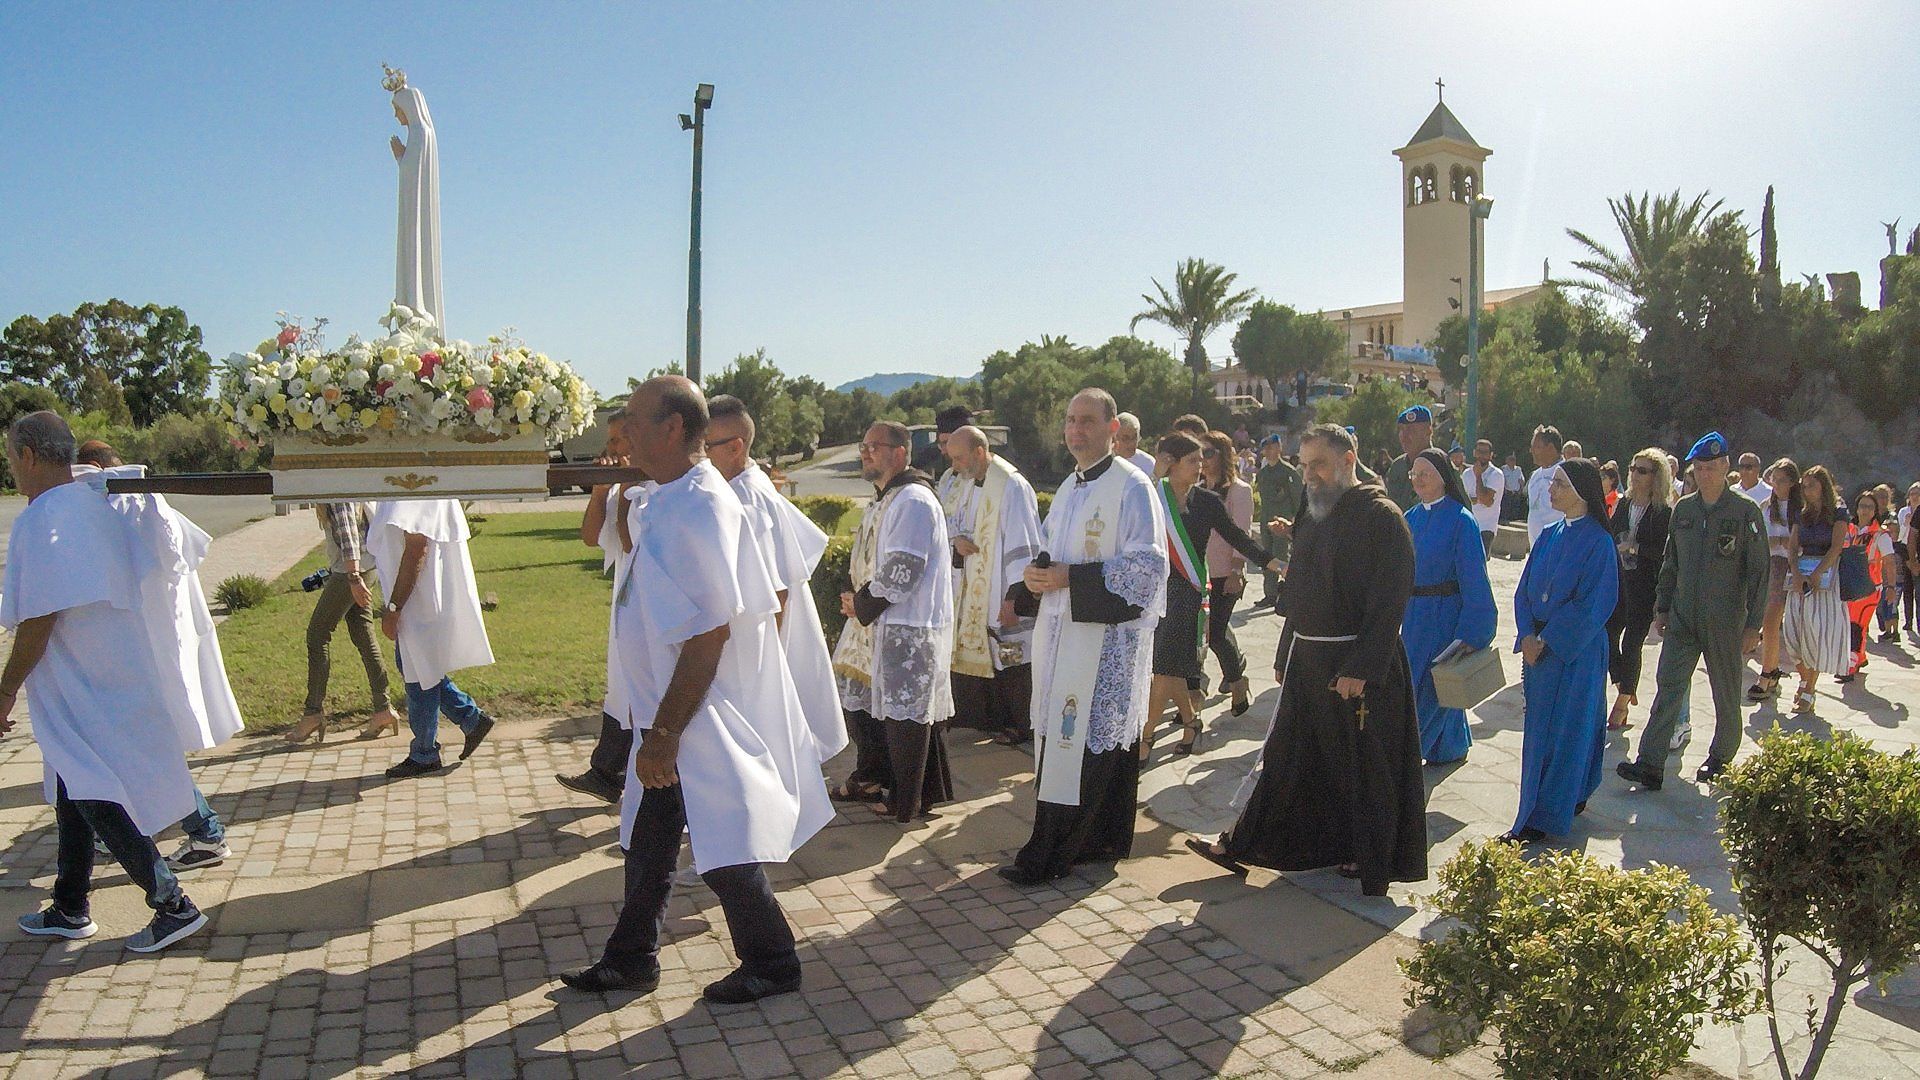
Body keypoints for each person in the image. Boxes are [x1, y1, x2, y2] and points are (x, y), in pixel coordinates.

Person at [562, 377, 830, 1003]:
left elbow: (710, 633)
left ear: (674, 428)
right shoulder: (665, 494)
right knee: (651, 840)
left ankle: (774, 960)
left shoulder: (704, 506)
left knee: (723, 837)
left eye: (633, 418)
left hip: (695, 708)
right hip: (666, 705)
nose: (622, 430)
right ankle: (631, 957)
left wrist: (664, 732)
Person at [1, 412, 208, 952]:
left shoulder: (47, 516)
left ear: (27, 456)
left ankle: (171, 904)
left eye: (9, 457)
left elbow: (38, 618)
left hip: (81, 681)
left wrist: (4, 690)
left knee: (92, 789)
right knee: (74, 783)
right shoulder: (93, 502)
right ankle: (71, 905)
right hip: (111, 667)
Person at [1194, 424, 1424, 897]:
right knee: (1287, 757)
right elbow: (1300, 587)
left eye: (1318, 464)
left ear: (1348, 458)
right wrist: (1286, 649)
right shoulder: (1315, 510)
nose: (1309, 474)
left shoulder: (1383, 517)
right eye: (1304, 465)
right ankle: (1237, 845)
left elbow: (1390, 602)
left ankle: (1367, 856)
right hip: (1308, 658)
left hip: (1357, 670)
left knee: (1363, 768)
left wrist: (1360, 668)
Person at [1000, 389, 1167, 887]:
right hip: (1062, 636)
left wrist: (1072, 578)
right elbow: (1054, 551)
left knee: (1083, 744)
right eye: (1071, 421)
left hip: (1106, 644)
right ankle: (1097, 841)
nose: (1076, 430)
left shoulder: (1133, 487)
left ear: (1113, 428)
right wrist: (1031, 580)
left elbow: (1147, 569)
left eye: (1088, 421)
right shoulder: (1071, 486)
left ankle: (1053, 852)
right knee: (1073, 743)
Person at [72, 443, 245, 872]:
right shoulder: (149, 505)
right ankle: (126, 829)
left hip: (139, 652)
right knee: (134, 752)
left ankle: (205, 833)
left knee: (148, 755)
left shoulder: (122, 506)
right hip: (155, 647)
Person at [1616, 433, 1769, 789]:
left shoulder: (1745, 512)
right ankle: (1650, 762)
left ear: (1726, 467)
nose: (1704, 474)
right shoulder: (1684, 510)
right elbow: (1672, 563)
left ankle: (1721, 757)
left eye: (1712, 467)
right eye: (1698, 468)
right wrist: (1663, 606)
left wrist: (1753, 625)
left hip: (1725, 619)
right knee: (1668, 684)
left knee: (1726, 691)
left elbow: (1760, 572)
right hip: (1684, 616)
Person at [706, 397, 847, 764]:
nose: (699, 456)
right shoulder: (745, 485)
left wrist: (765, 665)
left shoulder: (746, 498)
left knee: (768, 749)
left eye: (705, 446)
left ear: (736, 447)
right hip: (760, 648)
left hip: (761, 651)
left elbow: (776, 590)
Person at [832, 421, 956, 823]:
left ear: (901, 453)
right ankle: (876, 778)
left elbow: (903, 567)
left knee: (906, 715)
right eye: (863, 445)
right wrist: (858, 601)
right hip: (880, 619)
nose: (865, 452)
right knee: (867, 702)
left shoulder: (914, 499)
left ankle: (909, 799)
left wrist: (862, 604)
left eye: (875, 446)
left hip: (908, 625)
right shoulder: (887, 496)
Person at [1142, 433, 1282, 760]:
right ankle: (1191, 722)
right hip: (1155, 593)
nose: (1200, 466)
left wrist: (1271, 562)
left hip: (1187, 592)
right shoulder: (1151, 495)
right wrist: (1154, 473)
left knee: (1164, 668)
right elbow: (1125, 519)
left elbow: (1235, 536)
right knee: (1170, 668)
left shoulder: (1206, 501)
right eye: (1192, 460)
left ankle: (1145, 736)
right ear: (1170, 463)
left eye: (1202, 459)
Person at [1508, 459, 1619, 842]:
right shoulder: (1549, 534)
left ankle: (1547, 816)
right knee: (1541, 732)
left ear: (1581, 493)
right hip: (1538, 652)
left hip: (1575, 652)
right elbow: (1524, 591)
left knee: (1570, 730)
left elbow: (1593, 605)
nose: (1550, 490)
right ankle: (1539, 805)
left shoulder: (1600, 542)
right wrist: (1525, 634)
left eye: (1559, 484)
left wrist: (1548, 639)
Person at [369, 497, 498, 779]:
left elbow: (417, 549)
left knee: (420, 674)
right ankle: (470, 720)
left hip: (420, 598)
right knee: (418, 669)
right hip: (417, 596)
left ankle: (425, 752)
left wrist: (394, 607)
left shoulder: (417, 484)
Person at [558, 414, 649, 804]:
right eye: (609, 442)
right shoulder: (617, 485)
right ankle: (606, 771)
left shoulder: (651, 486)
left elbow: (630, 542)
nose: (610, 450)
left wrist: (624, 487)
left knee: (633, 689)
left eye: (618, 441)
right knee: (619, 688)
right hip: (625, 599)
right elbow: (589, 537)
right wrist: (599, 492)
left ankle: (611, 772)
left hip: (649, 603)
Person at [940, 425, 1043, 748]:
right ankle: (988, 719)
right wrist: (954, 541)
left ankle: (1021, 723)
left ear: (979, 452)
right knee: (985, 654)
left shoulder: (1011, 485)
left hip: (1001, 589)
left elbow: (1024, 544)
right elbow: (948, 524)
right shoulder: (963, 484)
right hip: (969, 588)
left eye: (959, 458)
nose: (954, 466)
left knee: (1011, 658)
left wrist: (1015, 599)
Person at [1402, 449, 1497, 765]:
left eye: (1425, 473)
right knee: (1426, 683)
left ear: (1444, 478)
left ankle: (1410, 756)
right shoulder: (1409, 518)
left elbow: (1474, 578)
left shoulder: (1461, 520)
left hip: (1443, 616)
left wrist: (1473, 630)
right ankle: (1450, 746)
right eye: (1414, 473)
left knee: (1431, 685)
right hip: (1414, 616)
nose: (1418, 479)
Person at [288, 501, 400, 745]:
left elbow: (349, 532)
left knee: (317, 636)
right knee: (363, 636)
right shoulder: (338, 484)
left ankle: (313, 713)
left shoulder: (336, 489)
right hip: (363, 567)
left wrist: (353, 577)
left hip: (351, 572)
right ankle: (383, 709)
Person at [1199, 430, 1273, 714]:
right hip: (1198, 570)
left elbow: (1240, 534)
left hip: (1225, 573)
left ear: (1223, 455)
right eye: (1200, 454)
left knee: (1216, 634)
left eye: (1209, 453)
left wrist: (1236, 569)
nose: (1203, 460)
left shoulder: (1239, 491)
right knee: (1204, 634)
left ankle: (1236, 680)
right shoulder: (1198, 489)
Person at [1606, 449, 1674, 731]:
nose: (1634, 474)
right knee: (1609, 634)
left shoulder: (1663, 512)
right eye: (1633, 468)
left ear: (1656, 476)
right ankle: (1625, 683)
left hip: (1646, 584)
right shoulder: (1624, 503)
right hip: (1620, 581)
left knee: (1633, 642)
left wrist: (1634, 547)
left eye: (1642, 470)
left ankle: (1621, 705)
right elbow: (1610, 533)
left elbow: (1663, 552)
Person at [1779, 465, 1849, 714]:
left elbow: (1836, 546)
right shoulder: (1802, 513)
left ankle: (1809, 688)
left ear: (1823, 487)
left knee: (1816, 632)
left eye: (1811, 485)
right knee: (1793, 632)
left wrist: (1818, 573)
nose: (1806, 490)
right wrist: (1797, 573)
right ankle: (1804, 678)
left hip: (1826, 576)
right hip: (1802, 574)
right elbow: (1793, 546)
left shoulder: (1838, 513)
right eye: (1804, 486)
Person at [1748, 460, 1800, 701]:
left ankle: (1805, 680)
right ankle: (1768, 671)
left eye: (1781, 480)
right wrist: (1781, 543)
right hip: (1776, 565)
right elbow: (1761, 540)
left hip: (1799, 566)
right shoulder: (1767, 506)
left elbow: (1800, 541)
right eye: (1774, 479)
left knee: (1800, 625)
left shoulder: (1801, 507)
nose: (1776, 484)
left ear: (1792, 482)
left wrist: (1785, 543)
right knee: (1770, 621)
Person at [1840, 490, 1896, 683]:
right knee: (1850, 625)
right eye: (1862, 506)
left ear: (1875, 511)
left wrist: (1891, 587)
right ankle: (1860, 657)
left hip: (1870, 588)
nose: (1865, 510)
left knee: (1857, 624)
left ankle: (1850, 665)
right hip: (1849, 586)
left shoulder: (1881, 535)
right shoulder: (1848, 529)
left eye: (1869, 507)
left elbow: (1889, 561)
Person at [1253, 434, 1300, 608]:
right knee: (1267, 558)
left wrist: (1295, 521)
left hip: (1282, 521)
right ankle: (1270, 594)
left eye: (1272, 447)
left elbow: (1297, 498)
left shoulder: (1288, 472)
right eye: (1266, 449)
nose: (1269, 451)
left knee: (1281, 557)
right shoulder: (1263, 473)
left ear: (1279, 449)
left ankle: (1289, 593)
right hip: (1266, 520)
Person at [1384, 405, 1434, 511]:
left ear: (1428, 431)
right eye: (1401, 429)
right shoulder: (1398, 466)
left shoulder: (1440, 465)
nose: (1404, 435)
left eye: (1411, 429)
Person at [1461, 439, 1504, 554]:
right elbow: (1465, 500)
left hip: (1486, 528)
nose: (1482, 455)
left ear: (1491, 455)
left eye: (1485, 452)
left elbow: (1486, 500)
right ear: (1474, 453)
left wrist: (1478, 476)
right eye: (1479, 451)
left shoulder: (1496, 474)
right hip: (1468, 526)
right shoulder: (1466, 474)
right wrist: (1475, 499)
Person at [1526, 426, 1565, 546]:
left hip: (1557, 548)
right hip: (1536, 550)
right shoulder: (1535, 476)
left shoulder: (1567, 475)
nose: (1531, 451)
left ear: (1550, 448)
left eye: (1536, 447)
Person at [1901, 482, 1920, 635]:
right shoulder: (1911, 512)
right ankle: (1909, 621)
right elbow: (1910, 536)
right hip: (1911, 555)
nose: (1915, 496)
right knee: (1911, 591)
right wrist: (1912, 560)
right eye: (1912, 493)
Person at [1115, 411, 1156, 477]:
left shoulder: (1148, 463)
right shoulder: (1102, 460)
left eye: (1134, 438)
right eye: (1126, 438)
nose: (1131, 443)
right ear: (1114, 438)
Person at [1501, 453, 1526, 523]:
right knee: (1506, 508)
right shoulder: (1503, 469)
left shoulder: (1518, 469)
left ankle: (1514, 522)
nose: (1512, 461)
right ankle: (1505, 520)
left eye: (1513, 460)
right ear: (1507, 461)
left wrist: (1521, 489)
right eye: (1510, 460)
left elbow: (1521, 480)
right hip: (1507, 492)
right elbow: (1502, 480)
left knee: (1515, 508)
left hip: (1516, 492)